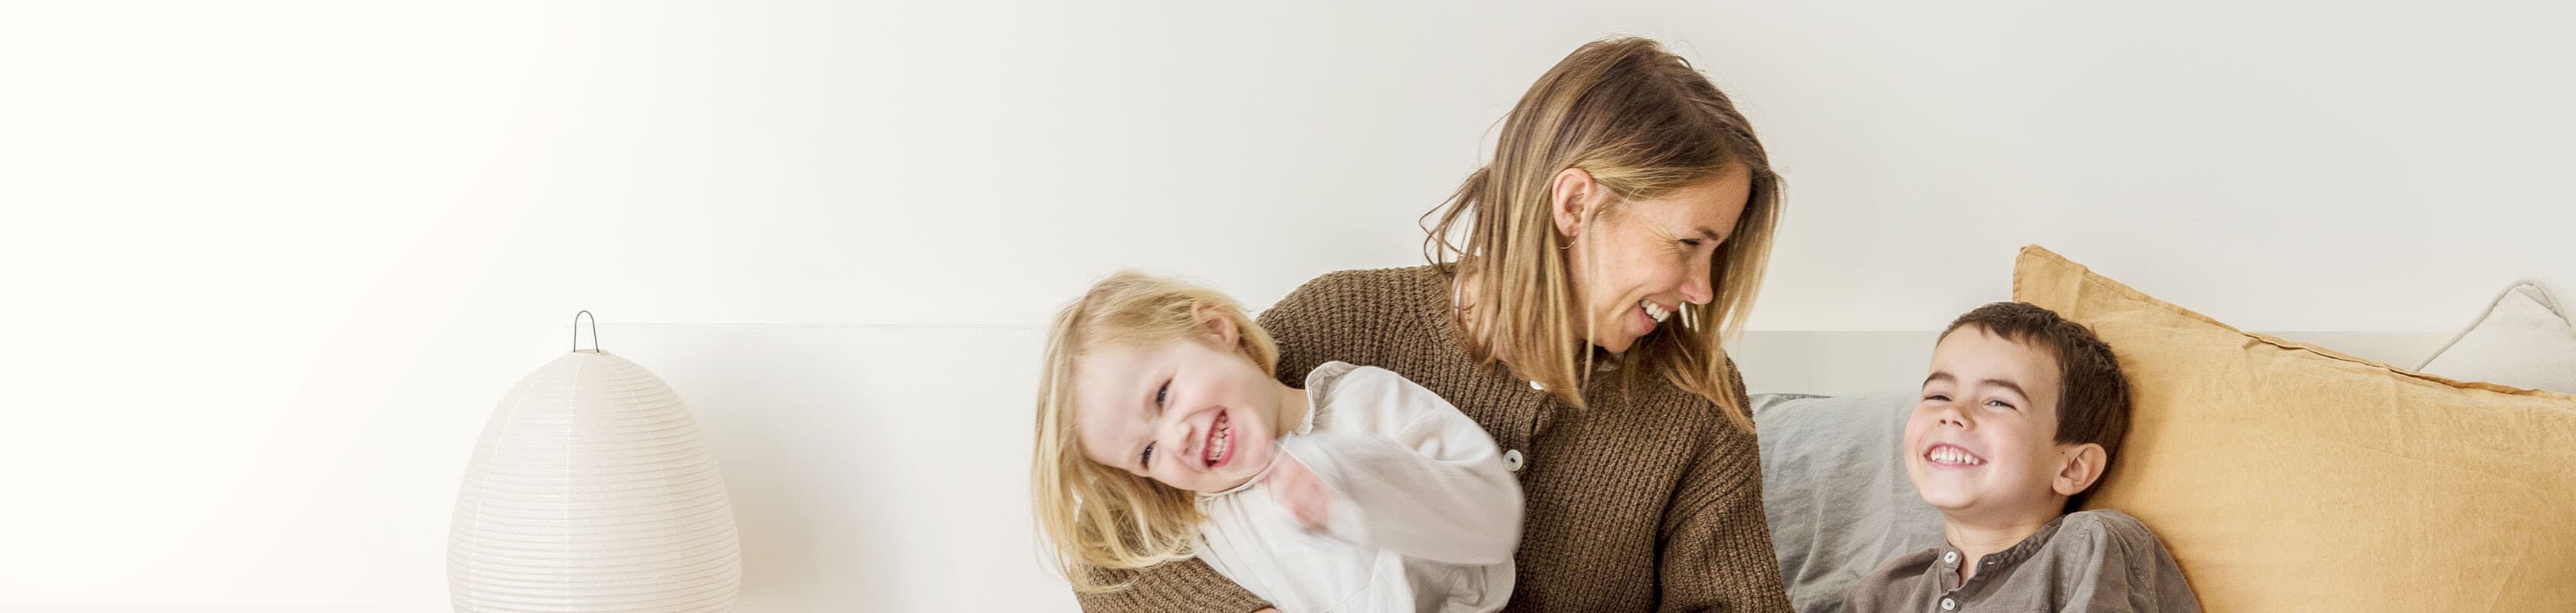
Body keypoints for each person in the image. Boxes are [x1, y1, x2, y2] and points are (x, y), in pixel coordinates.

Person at [1075, 36, 1795, 612]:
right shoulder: (1340, 323)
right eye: (1689, 242)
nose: (1701, 289)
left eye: (1718, 253)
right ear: (1575, 205)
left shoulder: (1696, 404)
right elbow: (1105, 549)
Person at [1033, 270, 1524, 612]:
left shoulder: (1365, 403)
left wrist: (1348, 481)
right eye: (1146, 453)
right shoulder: (1206, 528)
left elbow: (1494, 523)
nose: (1175, 439)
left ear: (1215, 328)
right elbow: (1100, 565)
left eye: (1163, 396)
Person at [1844, 302, 2200, 613]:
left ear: (2073, 467)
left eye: (1998, 401)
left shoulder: (2087, 546)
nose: (1953, 413)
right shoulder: (1882, 594)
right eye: (1938, 395)